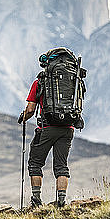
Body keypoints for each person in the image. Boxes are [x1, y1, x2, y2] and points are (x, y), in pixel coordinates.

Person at [18, 48, 80, 208]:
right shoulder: (74, 80)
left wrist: (23, 117)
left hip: (47, 127)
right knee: (61, 166)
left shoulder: (40, 82)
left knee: (35, 163)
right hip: (68, 128)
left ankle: (36, 201)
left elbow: (31, 109)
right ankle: (61, 202)